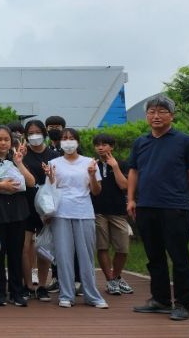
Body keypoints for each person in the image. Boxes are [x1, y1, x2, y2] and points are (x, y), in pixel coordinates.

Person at [128, 96, 189, 321]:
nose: (156, 116)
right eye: (151, 112)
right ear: (146, 116)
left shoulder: (185, 141)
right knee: (154, 256)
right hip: (146, 206)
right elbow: (134, 171)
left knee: (179, 257)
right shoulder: (140, 142)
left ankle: (183, 303)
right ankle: (160, 299)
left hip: (175, 207)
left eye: (162, 111)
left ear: (172, 115)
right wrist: (131, 199)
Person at [45, 128, 108, 309]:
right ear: (60, 142)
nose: (68, 141)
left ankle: (91, 295)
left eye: (72, 138)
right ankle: (66, 294)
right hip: (61, 212)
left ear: (78, 142)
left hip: (84, 211)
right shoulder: (53, 163)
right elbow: (50, 190)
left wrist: (92, 175)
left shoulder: (89, 162)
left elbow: (96, 191)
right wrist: (50, 177)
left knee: (86, 255)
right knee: (63, 255)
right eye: (64, 138)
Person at [0, 125, 35, 307]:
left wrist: (19, 163)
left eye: (6, 139)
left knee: (16, 253)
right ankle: (0, 292)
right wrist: (0, 186)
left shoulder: (16, 158)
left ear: (11, 142)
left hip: (18, 213)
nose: (3, 143)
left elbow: (31, 182)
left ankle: (16, 292)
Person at [91, 133, 133, 296]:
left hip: (118, 211)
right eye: (97, 145)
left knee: (122, 248)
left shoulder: (122, 164)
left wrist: (115, 167)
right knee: (102, 246)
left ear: (112, 147)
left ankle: (116, 277)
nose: (100, 148)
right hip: (97, 211)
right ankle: (110, 280)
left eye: (104, 144)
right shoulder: (91, 164)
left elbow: (124, 186)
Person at [21, 120, 58, 302]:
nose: (34, 136)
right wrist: (19, 159)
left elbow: (58, 182)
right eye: (30, 133)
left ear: (44, 133)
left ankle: (42, 286)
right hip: (25, 204)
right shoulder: (22, 154)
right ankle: (28, 285)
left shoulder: (53, 155)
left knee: (44, 246)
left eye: (37, 132)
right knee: (25, 245)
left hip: (46, 207)